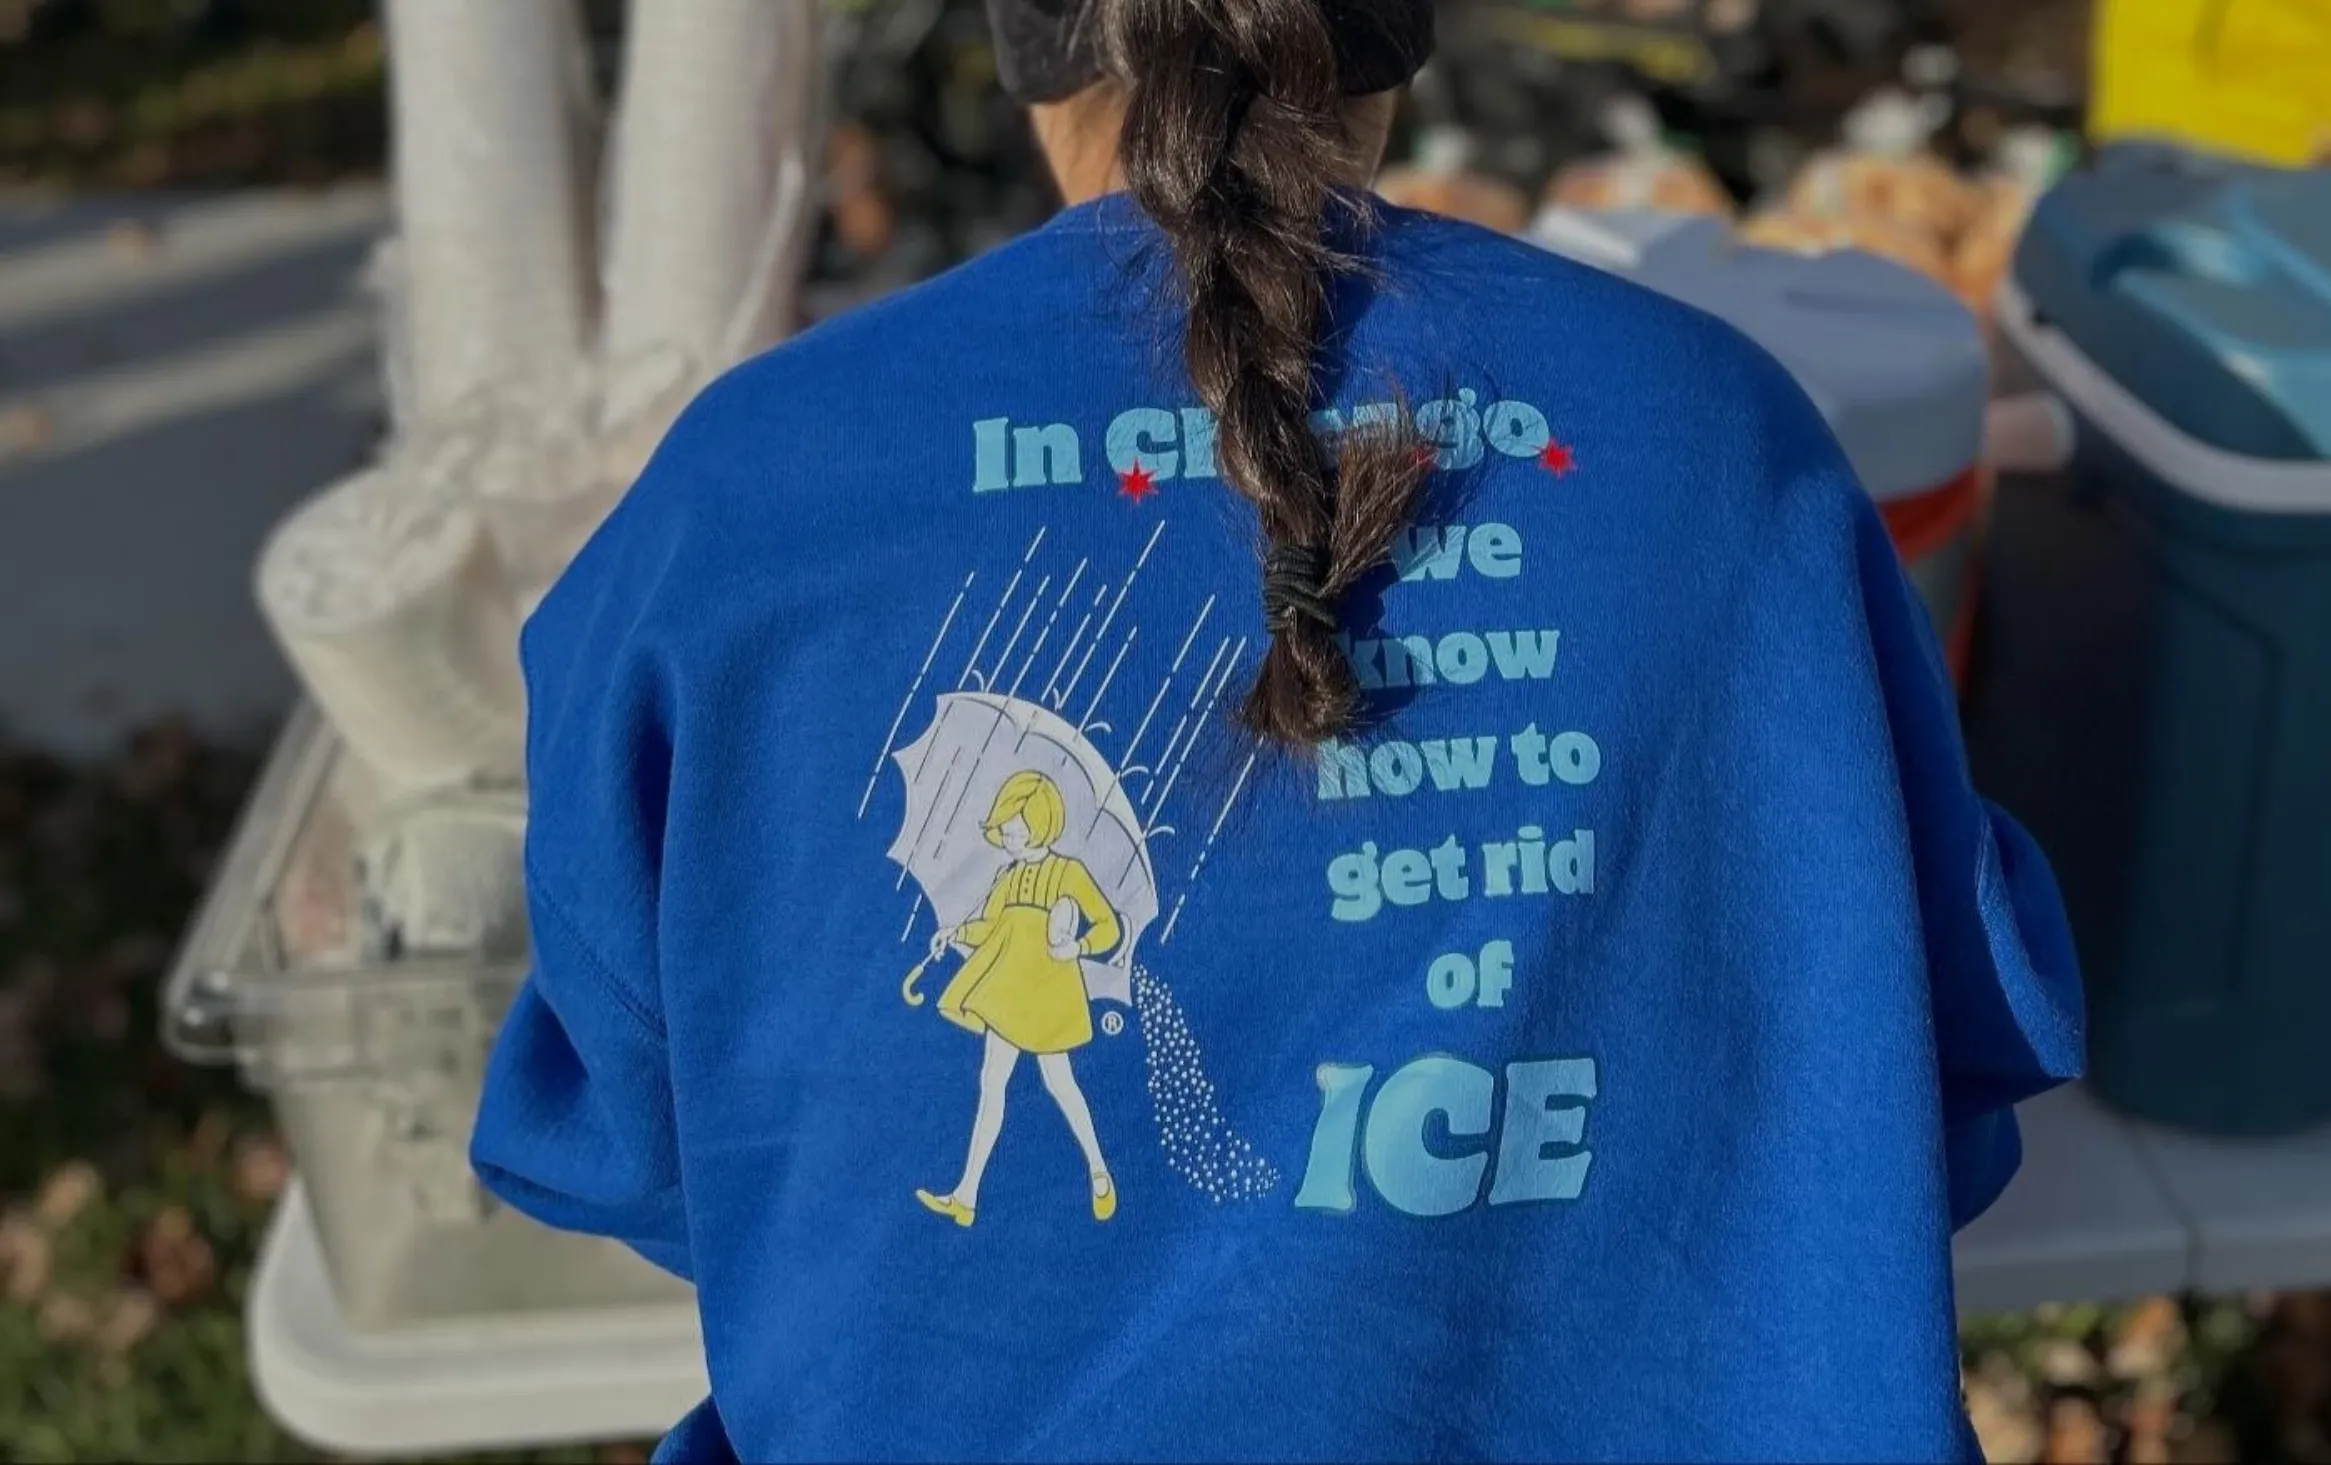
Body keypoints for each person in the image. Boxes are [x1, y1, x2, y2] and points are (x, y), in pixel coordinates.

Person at [470, 0, 2084, 1459]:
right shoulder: (1726, 441)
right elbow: (1935, 1070)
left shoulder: (755, 489)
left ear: (1031, 58)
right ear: (1400, 43)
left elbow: (626, 1143)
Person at [918, 769, 1123, 1227]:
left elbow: (1108, 926)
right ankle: (966, 1195)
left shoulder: (1069, 872)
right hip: (1008, 992)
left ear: (1039, 824)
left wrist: (1079, 946)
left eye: (1013, 830)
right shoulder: (1007, 877)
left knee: (1060, 1083)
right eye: (1004, 830)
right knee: (991, 1084)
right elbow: (990, 929)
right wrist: (953, 934)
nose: (1006, 838)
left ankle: (1098, 1168)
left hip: (1049, 994)